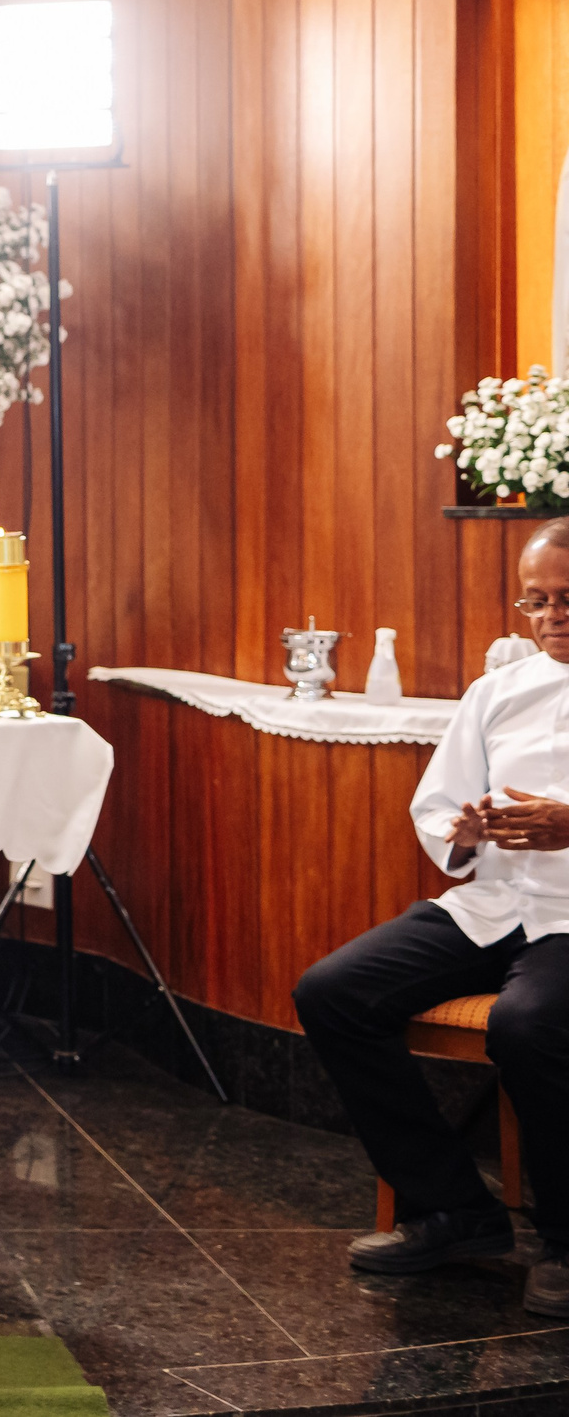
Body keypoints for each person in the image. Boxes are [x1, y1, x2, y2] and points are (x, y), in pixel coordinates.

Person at [294, 520, 569, 1317]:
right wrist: (467, 828)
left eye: (568, 599)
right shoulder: (497, 692)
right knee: (332, 991)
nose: (551, 616)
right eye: (536, 600)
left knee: (528, 1023)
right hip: (495, 901)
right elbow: (439, 803)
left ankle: (565, 1239)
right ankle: (456, 1210)